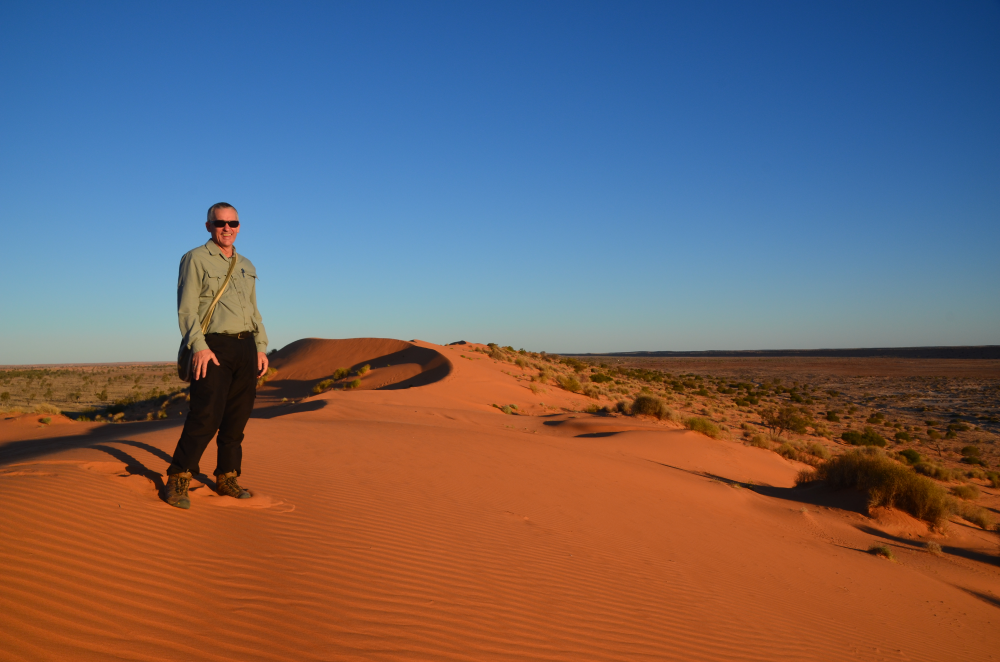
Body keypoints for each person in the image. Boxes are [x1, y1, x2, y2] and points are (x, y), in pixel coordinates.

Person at [163, 202, 269, 509]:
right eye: (220, 223)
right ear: (208, 226)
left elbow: (254, 310)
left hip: (246, 347)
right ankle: (179, 476)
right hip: (213, 347)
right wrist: (199, 346)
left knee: (237, 418)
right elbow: (186, 308)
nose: (227, 228)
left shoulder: (246, 264)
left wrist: (261, 347)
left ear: (239, 226)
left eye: (232, 223)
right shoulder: (195, 258)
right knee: (206, 415)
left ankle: (227, 476)